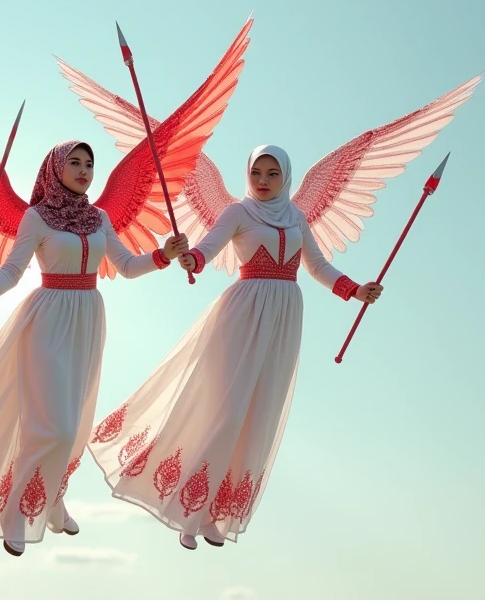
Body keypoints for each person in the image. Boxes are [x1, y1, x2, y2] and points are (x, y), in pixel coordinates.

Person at [0, 140, 186, 556]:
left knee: (74, 423)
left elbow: (126, 266)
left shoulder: (99, 218)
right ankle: (15, 511)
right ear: (55, 168)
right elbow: (13, 269)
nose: (84, 170)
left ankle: (53, 499)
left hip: (88, 320)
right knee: (53, 426)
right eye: (75, 163)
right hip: (47, 320)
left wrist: (163, 255)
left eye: (89, 163)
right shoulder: (38, 216)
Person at [86, 145, 383, 550]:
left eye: (272, 174)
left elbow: (316, 266)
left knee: (257, 416)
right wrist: (192, 260)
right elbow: (208, 248)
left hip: (284, 317)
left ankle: (216, 518)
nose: (262, 181)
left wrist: (355, 290)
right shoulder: (238, 213)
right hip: (242, 314)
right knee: (226, 412)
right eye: (256, 172)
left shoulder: (296, 216)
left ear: (285, 177)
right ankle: (187, 516)